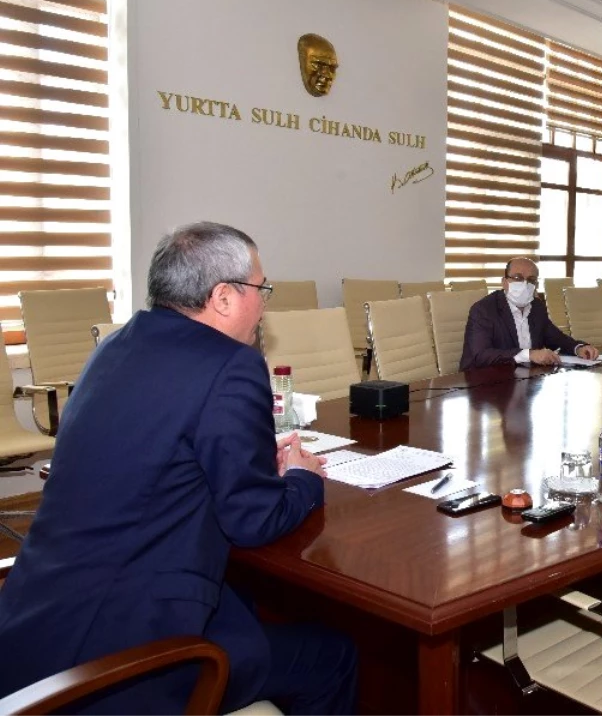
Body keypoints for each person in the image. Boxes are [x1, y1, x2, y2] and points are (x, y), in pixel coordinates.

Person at [0, 222, 357, 714]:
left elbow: (161, 458)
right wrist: (302, 478)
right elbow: (254, 521)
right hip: (121, 662)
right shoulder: (231, 364)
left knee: (253, 605)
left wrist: (248, 464)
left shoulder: (117, 346)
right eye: (261, 289)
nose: (264, 304)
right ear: (225, 297)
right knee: (334, 655)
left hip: (37, 625)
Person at [460, 257, 599, 370]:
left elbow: (555, 338)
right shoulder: (484, 310)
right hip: (483, 385)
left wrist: (579, 348)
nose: (525, 284)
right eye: (518, 278)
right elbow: (481, 355)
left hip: (524, 379)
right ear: (504, 282)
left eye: (531, 280)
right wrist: (529, 355)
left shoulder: (536, 306)